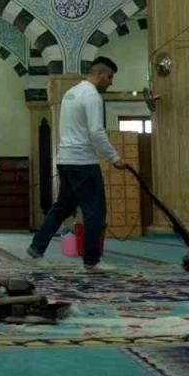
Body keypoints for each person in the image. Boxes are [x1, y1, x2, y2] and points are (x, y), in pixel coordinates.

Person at [26, 57, 126, 271]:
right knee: (95, 211)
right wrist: (115, 158)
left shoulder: (70, 93)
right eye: (109, 77)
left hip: (65, 160)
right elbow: (96, 131)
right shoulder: (92, 96)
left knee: (62, 208)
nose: (110, 82)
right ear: (100, 73)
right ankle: (92, 260)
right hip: (83, 162)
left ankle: (36, 249)